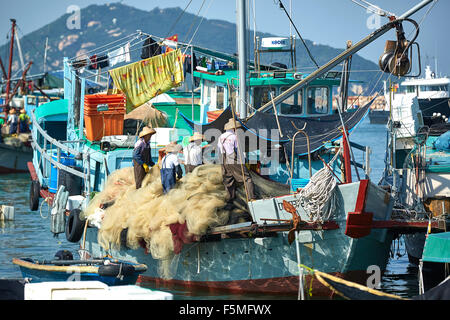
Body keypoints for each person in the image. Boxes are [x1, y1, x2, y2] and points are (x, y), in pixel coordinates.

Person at [217, 118, 256, 201]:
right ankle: (251, 198)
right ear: (234, 129)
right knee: (247, 178)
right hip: (232, 158)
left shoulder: (221, 137)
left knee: (228, 179)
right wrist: (243, 161)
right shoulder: (235, 137)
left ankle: (230, 199)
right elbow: (238, 150)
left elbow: (219, 149)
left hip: (223, 159)